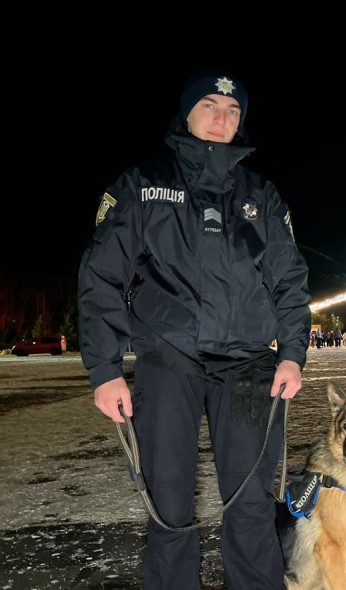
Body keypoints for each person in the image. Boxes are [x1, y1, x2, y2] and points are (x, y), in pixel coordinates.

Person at [77, 70, 312, 589]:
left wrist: (293, 353)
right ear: (187, 113)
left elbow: (290, 280)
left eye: (233, 111)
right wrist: (104, 370)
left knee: (251, 504)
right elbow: (101, 277)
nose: (221, 119)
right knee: (168, 504)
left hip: (249, 365)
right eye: (209, 106)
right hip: (168, 361)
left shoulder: (261, 195)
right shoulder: (143, 185)